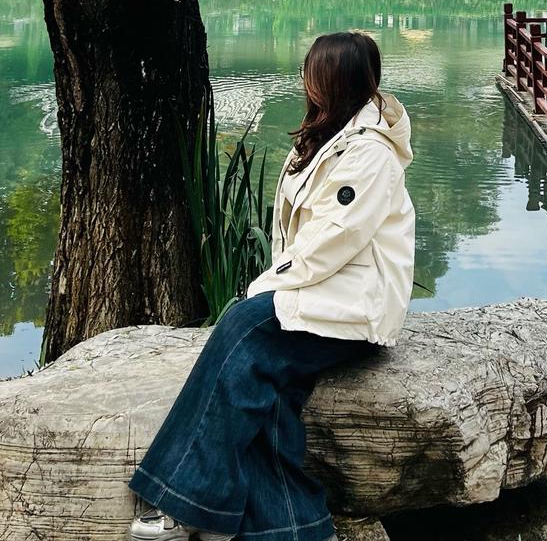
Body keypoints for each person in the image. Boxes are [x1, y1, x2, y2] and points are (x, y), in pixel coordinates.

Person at [128, 31, 415, 541]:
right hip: (325, 289)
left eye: (313, 71)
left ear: (335, 80)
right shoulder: (325, 136)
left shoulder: (369, 154)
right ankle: (298, 528)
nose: (305, 78)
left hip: (355, 302)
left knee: (243, 328)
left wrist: (262, 288)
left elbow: (332, 240)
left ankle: (181, 499)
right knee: (267, 387)